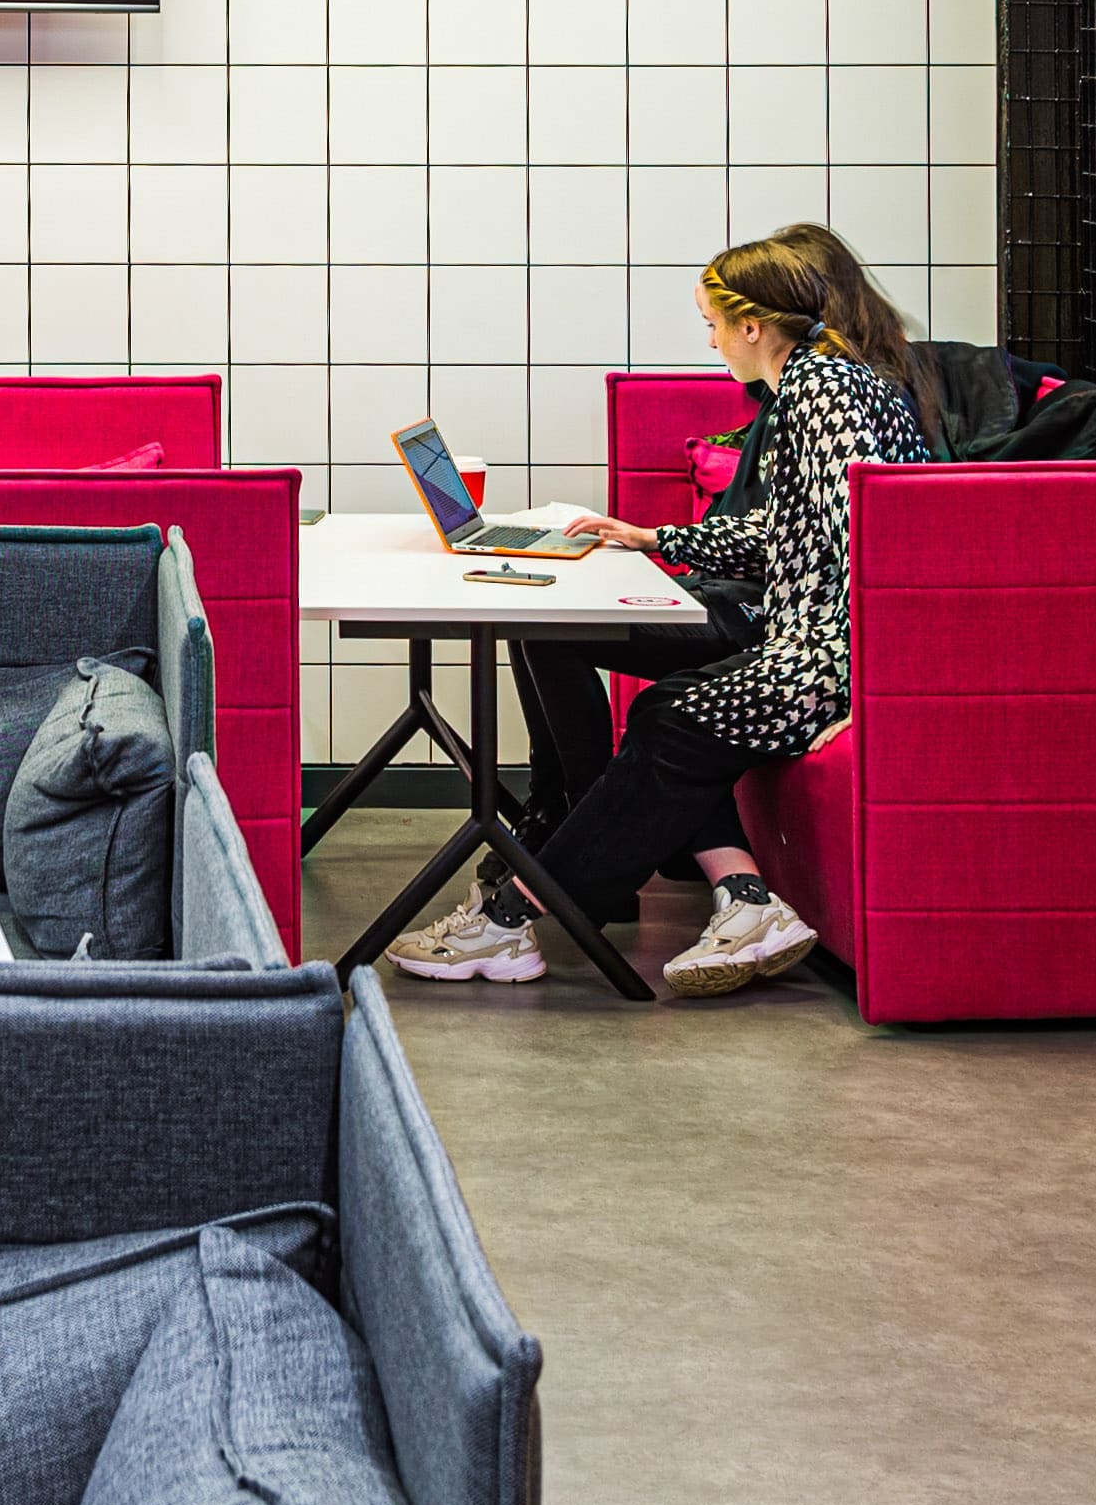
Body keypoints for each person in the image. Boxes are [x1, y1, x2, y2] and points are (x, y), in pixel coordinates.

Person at [389, 232, 938, 998]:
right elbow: (790, 531)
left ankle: (510, 918)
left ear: (753, 326)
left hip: (832, 656)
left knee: (673, 722)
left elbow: (857, 537)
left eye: (714, 324)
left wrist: (836, 668)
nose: (711, 342)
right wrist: (657, 539)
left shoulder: (819, 391)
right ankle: (745, 900)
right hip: (824, 643)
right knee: (666, 710)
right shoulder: (828, 379)